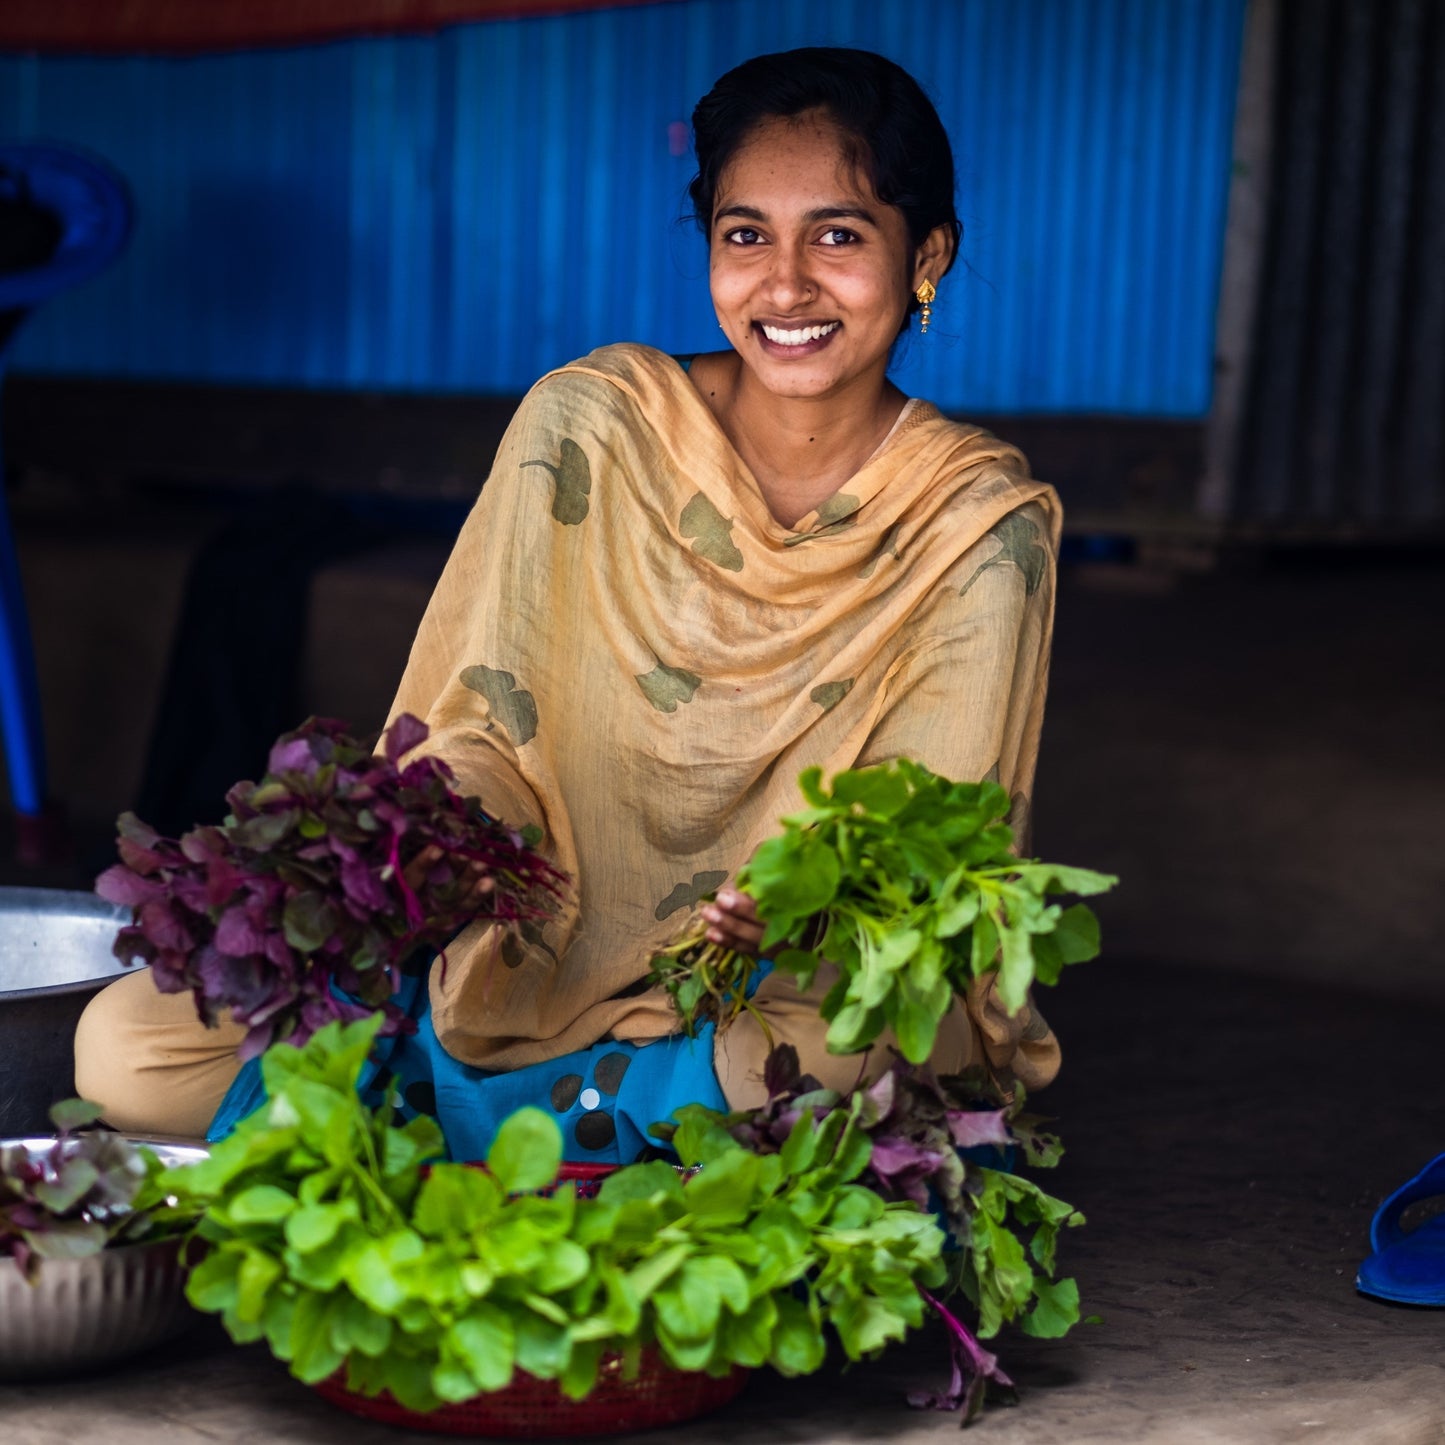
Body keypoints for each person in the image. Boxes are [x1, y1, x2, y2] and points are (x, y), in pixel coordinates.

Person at [75, 47, 1062, 1159]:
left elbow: (926, 834)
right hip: (527, 947)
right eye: (745, 236)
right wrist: (417, 853)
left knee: (828, 1059)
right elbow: (488, 723)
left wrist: (801, 897)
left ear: (925, 254)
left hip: (771, 982)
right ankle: (589, 1134)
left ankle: (476, 1132)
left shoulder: (977, 519)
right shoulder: (591, 424)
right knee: (131, 1048)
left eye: (837, 235)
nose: (784, 285)